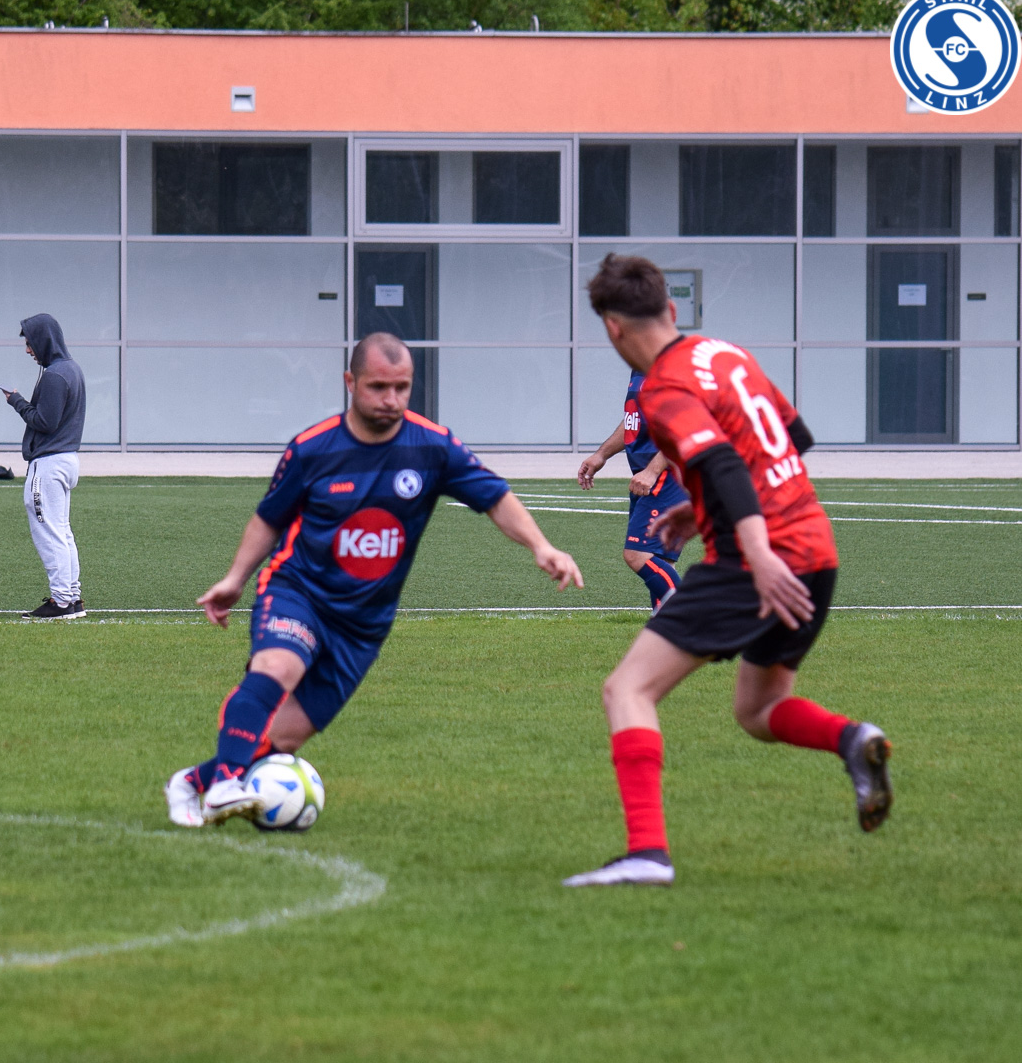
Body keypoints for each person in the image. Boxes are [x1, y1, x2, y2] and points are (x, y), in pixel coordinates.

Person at [563, 254, 892, 888]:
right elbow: (793, 439)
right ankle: (854, 740)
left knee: (627, 690)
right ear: (672, 309)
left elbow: (722, 464)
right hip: (816, 550)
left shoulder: (662, 386)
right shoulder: (727, 354)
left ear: (611, 327)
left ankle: (647, 854)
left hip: (759, 559)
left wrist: (758, 552)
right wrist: (699, 510)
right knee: (758, 709)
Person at [165, 332, 584, 827]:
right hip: (298, 591)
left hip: (363, 625)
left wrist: (541, 546)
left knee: (285, 738)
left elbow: (495, 496)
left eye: (402, 387)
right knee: (278, 666)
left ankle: (190, 782)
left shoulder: (432, 446)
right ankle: (224, 786)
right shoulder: (312, 449)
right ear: (350, 382)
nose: (391, 399)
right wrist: (236, 578)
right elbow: (268, 518)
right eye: (378, 387)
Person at [576, 370, 691, 609]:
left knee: (637, 554)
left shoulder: (671, 367)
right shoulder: (640, 369)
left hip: (668, 473)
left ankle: (687, 618)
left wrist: (652, 471)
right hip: (648, 473)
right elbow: (634, 419)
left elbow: (684, 427)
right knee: (660, 559)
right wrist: (601, 454)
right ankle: (667, 625)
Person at [1, 313, 86, 620]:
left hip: (48, 463)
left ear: (43, 341)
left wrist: (16, 401)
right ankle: (71, 598)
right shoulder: (72, 369)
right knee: (61, 531)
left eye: (30, 343)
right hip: (66, 459)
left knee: (50, 532)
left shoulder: (54, 375)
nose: (28, 350)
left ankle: (61, 602)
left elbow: (44, 422)